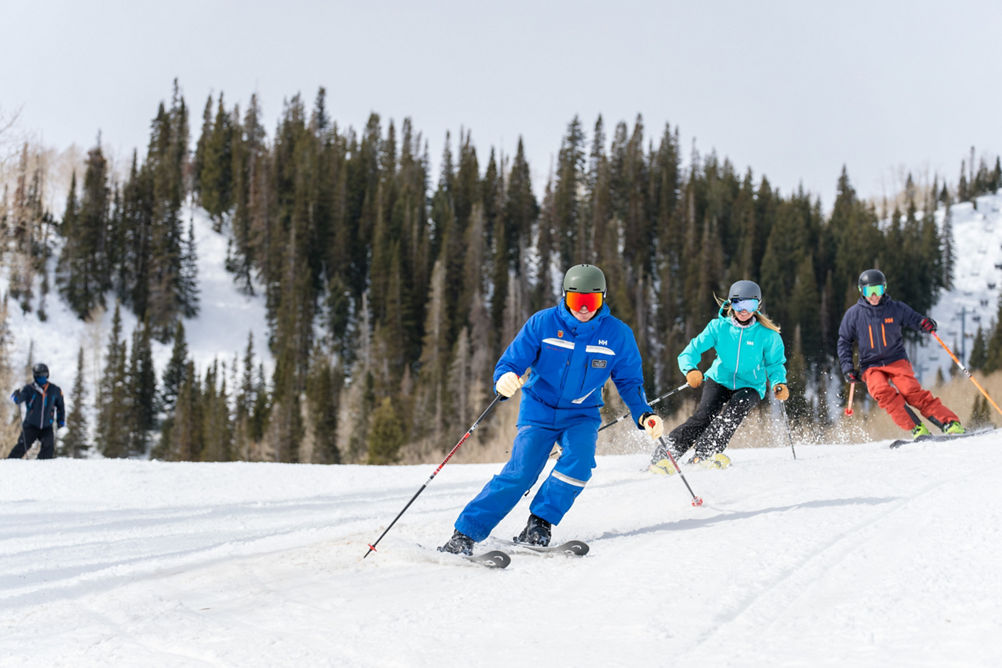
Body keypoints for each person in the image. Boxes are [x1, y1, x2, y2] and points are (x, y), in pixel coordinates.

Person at [440, 264, 663, 555]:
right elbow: (511, 362)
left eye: (591, 301)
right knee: (521, 472)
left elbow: (629, 381)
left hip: (582, 414)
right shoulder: (542, 324)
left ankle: (539, 524)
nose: (583, 309)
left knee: (579, 464)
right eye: (576, 301)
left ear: (603, 299)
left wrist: (644, 413)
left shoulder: (617, 335)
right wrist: (505, 378)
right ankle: (464, 535)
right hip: (539, 410)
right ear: (565, 297)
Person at [649, 280, 788, 474]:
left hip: (750, 385)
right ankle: (664, 457)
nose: (744, 310)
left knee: (732, 414)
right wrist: (690, 370)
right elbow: (691, 351)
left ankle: (704, 454)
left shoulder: (767, 335)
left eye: (750, 305)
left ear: (758, 306)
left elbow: (775, 364)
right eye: (739, 304)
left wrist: (778, 383)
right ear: (731, 304)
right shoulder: (718, 327)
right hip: (719, 379)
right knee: (703, 417)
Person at [837, 268, 964, 439]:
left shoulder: (895, 309)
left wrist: (926, 323)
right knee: (881, 392)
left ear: (885, 288)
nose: (874, 296)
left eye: (878, 290)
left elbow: (915, 319)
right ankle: (917, 429)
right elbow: (844, 341)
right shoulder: (854, 315)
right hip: (871, 365)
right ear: (861, 291)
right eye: (869, 291)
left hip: (896, 360)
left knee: (911, 392)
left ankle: (949, 423)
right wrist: (847, 368)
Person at [8, 363, 66, 460]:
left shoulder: (54, 390)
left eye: (44, 375)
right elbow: (18, 399)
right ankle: (8, 464)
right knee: (22, 445)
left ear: (47, 375)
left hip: (47, 426)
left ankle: (41, 467)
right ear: (35, 376)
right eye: (39, 375)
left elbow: (60, 406)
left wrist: (61, 420)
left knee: (48, 447)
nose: (42, 378)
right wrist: (16, 397)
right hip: (31, 425)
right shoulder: (29, 389)